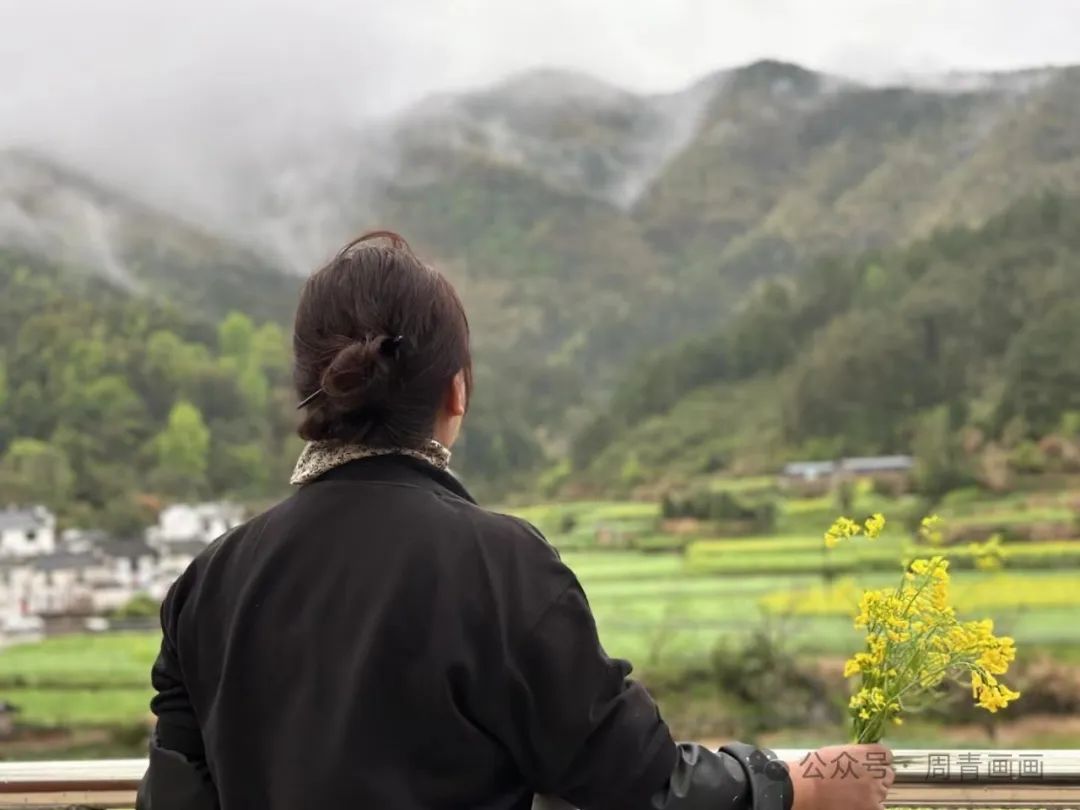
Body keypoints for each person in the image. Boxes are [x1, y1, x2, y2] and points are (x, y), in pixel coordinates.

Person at [137, 231, 894, 810]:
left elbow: (171, 797)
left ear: (312, 390)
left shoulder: (208, 583)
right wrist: (793, 782)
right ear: (456, 394)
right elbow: (640, 782)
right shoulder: (501, 566)